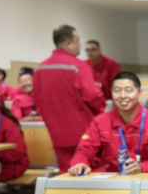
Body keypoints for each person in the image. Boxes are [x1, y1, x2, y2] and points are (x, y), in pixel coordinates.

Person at [33, 25, 105, 172]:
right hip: (84, 131)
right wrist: (101, 112)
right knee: (90, 174)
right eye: (77, 40)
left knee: (67, 176)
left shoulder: (40, 69)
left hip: (56, 132)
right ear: (68, 43)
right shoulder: (78, 66)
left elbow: (37, 101)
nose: (80, 44)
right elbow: (93, 96)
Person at [69, 72, 148, 175]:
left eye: (128, 90)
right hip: (111, 178)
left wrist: (142, 167)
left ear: (139, 92)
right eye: (117, 91)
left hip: (145, 177)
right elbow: (86, 150)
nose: (122, 96)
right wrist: (80, 163)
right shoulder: (100, 121)